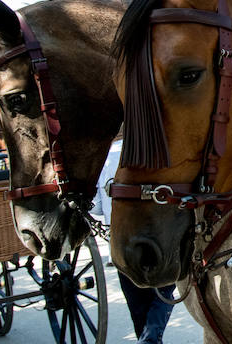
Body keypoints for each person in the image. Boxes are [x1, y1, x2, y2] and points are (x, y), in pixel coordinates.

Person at [92, 132, 175, 344]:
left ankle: (146, 338)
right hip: (158, 238)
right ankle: (150, 337)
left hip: (122, 241)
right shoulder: (156, 154)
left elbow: (98, 208)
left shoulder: (105, 161)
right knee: (164, 290)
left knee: (137, 301)